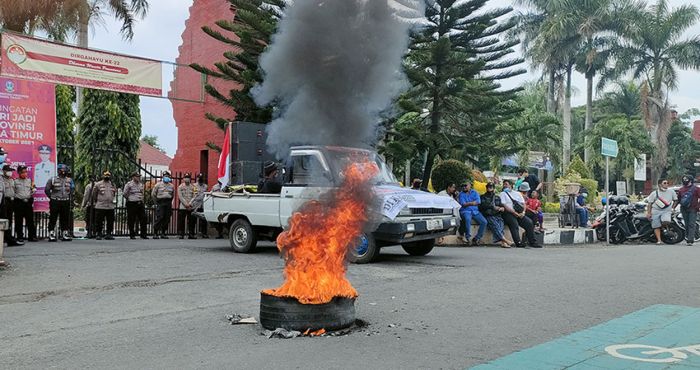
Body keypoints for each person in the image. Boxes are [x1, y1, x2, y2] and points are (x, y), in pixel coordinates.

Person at [500, 181, 542, 248]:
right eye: (504, 184)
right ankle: (518, 242)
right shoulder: (503, 194)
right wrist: (514, 213)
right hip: (508, 213)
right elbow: (504, 205)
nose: (504, 185)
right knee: (514, 224)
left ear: (511, 185)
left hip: (519, 213)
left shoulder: (517, 193)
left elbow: (523, 204)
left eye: (506, 184)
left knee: (529, 223)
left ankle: (532, 242)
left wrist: (523, 213)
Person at [45, 164, 74, 242]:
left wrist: (68, 197)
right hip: (55, 201)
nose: (63, 171)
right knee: (53, 218)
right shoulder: (53, 179)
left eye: (65, 170)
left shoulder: (69, 180)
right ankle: (51, 233)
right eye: (62, 170)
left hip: (65, 201)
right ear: (58, 171)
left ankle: (64, 233)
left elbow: (72, 190)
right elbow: (47, 190)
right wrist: (51, 197)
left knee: (65, 218)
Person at [479, 182, 513, 248]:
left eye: (491, 187)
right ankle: (505, 240)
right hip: (488, 215)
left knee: (501, 225)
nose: (490, 188)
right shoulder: (483, 197)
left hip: (497, 214)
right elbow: (482, 206)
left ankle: (503, 242)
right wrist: (492, 207)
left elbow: (501, 205)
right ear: (486, 188)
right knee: (495, 226)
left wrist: (502, 208)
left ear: (494, 188)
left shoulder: (497, 197)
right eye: (489, 187)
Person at [644, 178, 677, 245]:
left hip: (666, 211)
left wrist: (673, 208)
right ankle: (659, 240)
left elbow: (676, 200)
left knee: (666, 221)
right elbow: (649, 204)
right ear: (659, 185)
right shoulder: (654, 193)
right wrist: (649, 213)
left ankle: (662, 228)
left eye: (667, 183)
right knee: (656, 226)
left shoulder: (671, 192)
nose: (666, 184)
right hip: (655, 211)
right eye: (664, 183)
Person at [458, 181, 487, 246]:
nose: (464, 187)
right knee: (467, 220)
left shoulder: (475, 192)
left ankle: (477, 238)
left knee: (484, 222)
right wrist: (472, 203)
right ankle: (468, 237)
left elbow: (478, 201)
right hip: (465, 211)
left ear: (470, 185)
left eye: (466, 185)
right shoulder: (461, 194)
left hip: (475, 211)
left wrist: (469, 203)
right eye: (463, 186)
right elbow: (463, 204)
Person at [675, 174, 700, 246]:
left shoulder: (696, 189)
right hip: (683, 208)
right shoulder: (681, 189)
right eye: (684, 179)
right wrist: (673, 207)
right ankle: (688, 237)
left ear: (691, 180)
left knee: (691, 224)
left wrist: (698, 206)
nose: (685, 181)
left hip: (693, 209)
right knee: (686, 224)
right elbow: (678, 199)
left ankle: (690, 240)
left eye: (686, 179)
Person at [14, 165, 36, 242]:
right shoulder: (15, 181)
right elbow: (12, 192)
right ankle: (20, 236)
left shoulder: (30, 181)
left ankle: (32, 236)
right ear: (19, 172)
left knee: (30, 220)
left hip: (28, 203)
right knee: (18, 221)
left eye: (26, 172)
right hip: (19, 203)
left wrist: (33, 190)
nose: (25, 173)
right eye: (23, 172)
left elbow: (33, 189)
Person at [91, 171, 117, 240]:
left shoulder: (112, 184)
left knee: (110, 221)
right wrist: (96, 201)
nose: (107, 177)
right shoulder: (98, 184)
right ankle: (99, 234)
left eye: (108, 175)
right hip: (101, 205)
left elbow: (114, 193)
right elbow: (94, 194)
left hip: (110, 206)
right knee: (99, 221)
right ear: (102, 176)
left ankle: (109, 234)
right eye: (105, 175)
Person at [124, 172, 148, 239]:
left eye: (139, 176)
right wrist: (130, 199)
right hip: (132, 203)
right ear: (133, 177)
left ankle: (143, 234)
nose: (138, 178)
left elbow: (142, 193)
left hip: (140, 203)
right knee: (131, 219)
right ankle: (132, 234)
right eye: (137, 176)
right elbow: (125, 193)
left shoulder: (141, 184)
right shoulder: (129, 184)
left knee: (143, 218)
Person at [1, 164, 21, 246]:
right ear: (4, 171)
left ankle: (7, 237)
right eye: (8, 171)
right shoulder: (2, 180)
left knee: (9, 220)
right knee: (4, 219)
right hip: (4, 201)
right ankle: (6, 238)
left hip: (12, 201)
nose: (10, 172)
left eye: (11, 171)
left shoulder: (12, 180)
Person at [152, 171, 175, 239]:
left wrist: (170, 202)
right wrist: (156, 202)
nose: (166, 177)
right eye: (165, 176)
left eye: (168, 176)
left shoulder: (171, 186)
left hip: (168, 202)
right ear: (163, 177)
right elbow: (153, 194)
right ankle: (155, 233)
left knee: (167, 218)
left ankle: (163, 233)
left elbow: (172, 195)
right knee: (160, 217)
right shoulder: (158, 185)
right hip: (160, 202)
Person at [177, 173, 197, 239]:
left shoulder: (194, 187)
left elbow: (195, 195)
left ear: (190, 179)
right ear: (183, 179)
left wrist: (190, 203)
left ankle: (191, 234)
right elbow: (180, 196)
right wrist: (186, 204)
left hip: (191, 206)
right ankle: (181, 234)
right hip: (183, 206)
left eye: (188, 177)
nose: (187, 179)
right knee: (181, 221)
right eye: (185, 177)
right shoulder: (180, 186)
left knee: (191, 221)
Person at [193, 173, 209, 238]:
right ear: (197, 178)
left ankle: (204, 233)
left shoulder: (205, 186)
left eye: (201, 178)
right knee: (193, 219)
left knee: (203, 219)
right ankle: (192, 232)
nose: (200, 179)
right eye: (199, 178)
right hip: (196, 204)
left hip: (203, 204)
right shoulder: (194, 185)